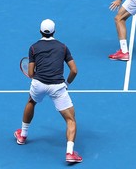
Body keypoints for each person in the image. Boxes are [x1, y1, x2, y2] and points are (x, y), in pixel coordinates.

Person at [14, 19, 82, 164]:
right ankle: (70, 153)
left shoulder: (33, 48)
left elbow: (31, 73)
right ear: (54, 32)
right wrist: (67, 84)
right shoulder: (63, 47)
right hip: (57, 87)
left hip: (39, 84)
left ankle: (22, 135)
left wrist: (38, 73)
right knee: (70, 120)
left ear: (40, 31)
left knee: (31, 101)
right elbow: (74, 70)